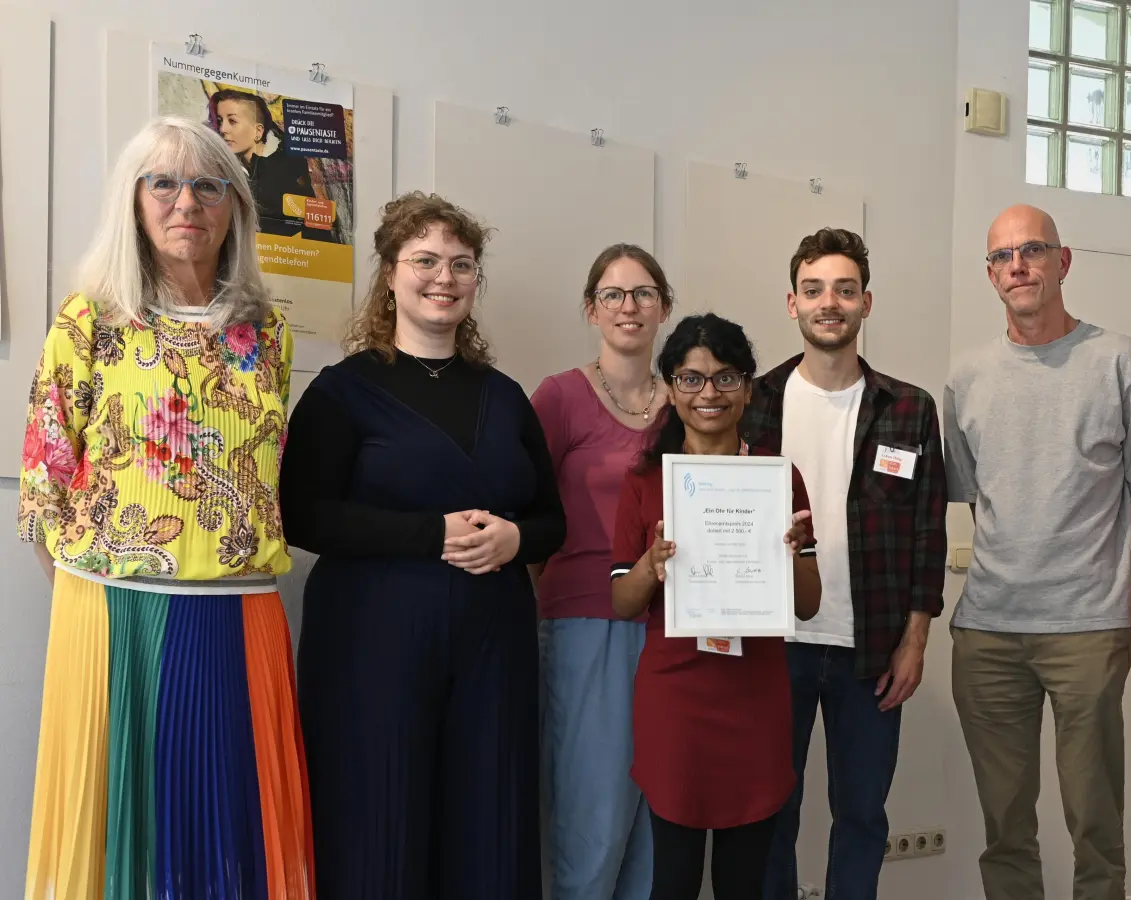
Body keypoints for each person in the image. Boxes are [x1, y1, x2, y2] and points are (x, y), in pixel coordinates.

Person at [17, 116, 311, 899]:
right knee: (122, 833)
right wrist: (96, 593)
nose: (188, 202)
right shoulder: (90, 322)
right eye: (165, 183)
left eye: (210, 185)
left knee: (229, 825)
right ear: (135, 202)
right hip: (114, 613)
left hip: (241, 612)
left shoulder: (268, 335)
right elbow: (44, 484)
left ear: (235, 209)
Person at [280, 191, 566, 898]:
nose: (444, 277)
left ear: (476, 279)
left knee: (489, 819)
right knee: (376, 821)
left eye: (461, 264)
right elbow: (303, 517)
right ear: (390, 273)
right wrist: (429, 533)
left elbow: (553, 521)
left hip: (491, 645)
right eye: (426, 260)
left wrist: (513, 539)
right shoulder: (343, 392)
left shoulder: (505, 397)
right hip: (370, 646)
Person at [944, 203, 1131, 900]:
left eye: (1033, 250)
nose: (1019, 265)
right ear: (990, 275)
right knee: (1005, 825)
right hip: (988, 629)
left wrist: (1075, 552)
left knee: (1095, 821)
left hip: (1086, 628)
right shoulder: (966, 378)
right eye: (1003, 256)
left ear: (1062, 261)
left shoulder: (1120, 361)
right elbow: (982, 498)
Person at [741, 228, 948, 900]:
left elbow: (926, 533)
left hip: (873, 650)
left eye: (844, 289)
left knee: (861, 816)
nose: (829, 302)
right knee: (771, 814)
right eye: (814, 289)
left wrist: (915, 639)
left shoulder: (909, 409)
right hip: (775, 646)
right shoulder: (754, 403)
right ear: (792, 303)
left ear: (866, 302)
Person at [610, 313, 822, 900]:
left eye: (727, 379)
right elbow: (622, 602)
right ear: (671, 389)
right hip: (675, 701)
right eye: (691, 379)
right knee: (672, 883)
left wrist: (792, 555)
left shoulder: (780, 479)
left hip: (754, 698)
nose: (709, 394)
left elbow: (809, 605)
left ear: (749, 388)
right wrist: (651, 566)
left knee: (742, 884)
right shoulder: (645, 482)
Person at [532, 244, 674, 900]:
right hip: (588, 623)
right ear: (591, 310)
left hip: (674, 627)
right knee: (594, 816)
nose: (629, 306)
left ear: (664, 308)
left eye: (643, 293)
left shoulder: (689, 405)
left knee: (658, 817)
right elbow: (526, 513)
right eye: (614, 294)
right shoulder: (560, 398)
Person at [208, 89, 329, 241]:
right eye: (220, 121)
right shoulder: (225, 168)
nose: (223, 129)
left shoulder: (289, 167)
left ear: (258, 131)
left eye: (232, 121)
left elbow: (316, 228)